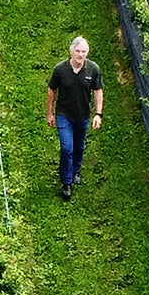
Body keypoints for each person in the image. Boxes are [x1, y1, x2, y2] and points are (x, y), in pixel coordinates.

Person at [47, 36, 103, 201]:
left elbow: (98, 91)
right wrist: (50, 113)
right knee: (67, 148)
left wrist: (98, 114)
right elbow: (51, 90)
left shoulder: (93, 69)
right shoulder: (60, 70)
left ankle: (76, 170)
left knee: (79, 146)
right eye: (77, 51)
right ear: (71, 52)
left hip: (83, 115)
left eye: (83, 52)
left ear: (87, 53)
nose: (80, 55)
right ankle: (66, 182)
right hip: (64, 115)